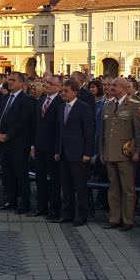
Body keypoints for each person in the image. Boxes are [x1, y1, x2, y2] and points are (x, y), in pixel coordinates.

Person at [100, 77, 140, 230]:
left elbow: (139, 133)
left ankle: (127, 220)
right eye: (111, 85)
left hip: (126, 154)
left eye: (115, 85)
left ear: (125, 88)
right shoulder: (108, 105)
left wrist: (137, 151)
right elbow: (104, 132)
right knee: (113, 188)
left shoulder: (135, 106)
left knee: (127, 189)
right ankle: (114, 218)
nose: (111, 87)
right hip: (110, 152)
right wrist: (102, 151)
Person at [54, 80, 94, 226]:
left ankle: (82, 215)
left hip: (79, 153)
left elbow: (88, 132)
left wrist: (87, 152)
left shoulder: (83, 108)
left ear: (75, 92)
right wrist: (58, 150)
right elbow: (59, 131)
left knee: (80, 185)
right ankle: (67, 213)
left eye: (66, 91)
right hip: (64, 152)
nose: (63, 93)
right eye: (62, 90)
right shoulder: (60, 108)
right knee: (66, 185)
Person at [0, 72, 36, 213]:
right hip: (3, 143)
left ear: (21, 83)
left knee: (20, 174)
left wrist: (8, 135)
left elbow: (23, 122)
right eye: (9, 79)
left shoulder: (27, 100)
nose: (10, 82)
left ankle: (24, 203)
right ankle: (10, 200)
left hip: (19, 143)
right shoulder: (4, 97)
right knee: (7, 173)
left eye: (13, 80)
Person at [32, 75, 64, 219]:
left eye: (51, 83)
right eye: (46, 83)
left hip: (52, 147)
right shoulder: (41, 101)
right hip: (39, 146)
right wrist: (33, 145)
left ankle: (55, 208)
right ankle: (41, 207)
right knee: (40, 178)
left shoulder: (60, 102)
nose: (47, 85)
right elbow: (35, 124)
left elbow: (60, 128)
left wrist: (58, 149)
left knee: (54, 180)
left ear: (59, 87)